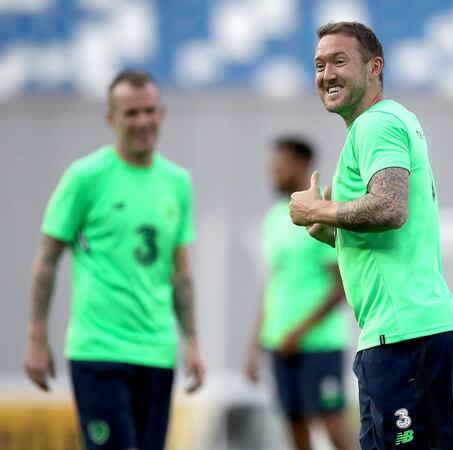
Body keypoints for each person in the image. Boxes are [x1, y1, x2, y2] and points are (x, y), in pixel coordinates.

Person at [288, 21, 453, 450]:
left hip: (405, 334)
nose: (326, 74)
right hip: (408, 331)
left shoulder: (375, 124)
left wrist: (319, 208)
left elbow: (389, 208)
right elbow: (390, 228)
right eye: (318, 65)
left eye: (339, 61)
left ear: (374, 67)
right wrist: (332, 231)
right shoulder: (391, 121)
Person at [23, 70, 205, 450]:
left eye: (149, 111)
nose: (143, 122)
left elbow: (180, 273)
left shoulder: (177, 182)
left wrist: (192, 342)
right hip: (99, 351)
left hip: (156, 350)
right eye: (131, 113)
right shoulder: (85, 177)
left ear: (162, 112)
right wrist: (37, 336)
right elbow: (46, 260)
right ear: (111, 119)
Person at [244, 137, 356, 450]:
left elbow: (341, 286)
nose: (274, 173)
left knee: (332, 423)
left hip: (319, 344)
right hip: (279, 343)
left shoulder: (321, 213)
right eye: (271, 167)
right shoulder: (274, 220)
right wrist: (255, 345)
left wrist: (299, 331)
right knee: (294, 425)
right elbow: (273, 283)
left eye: (281, 166)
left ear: (303, 165)